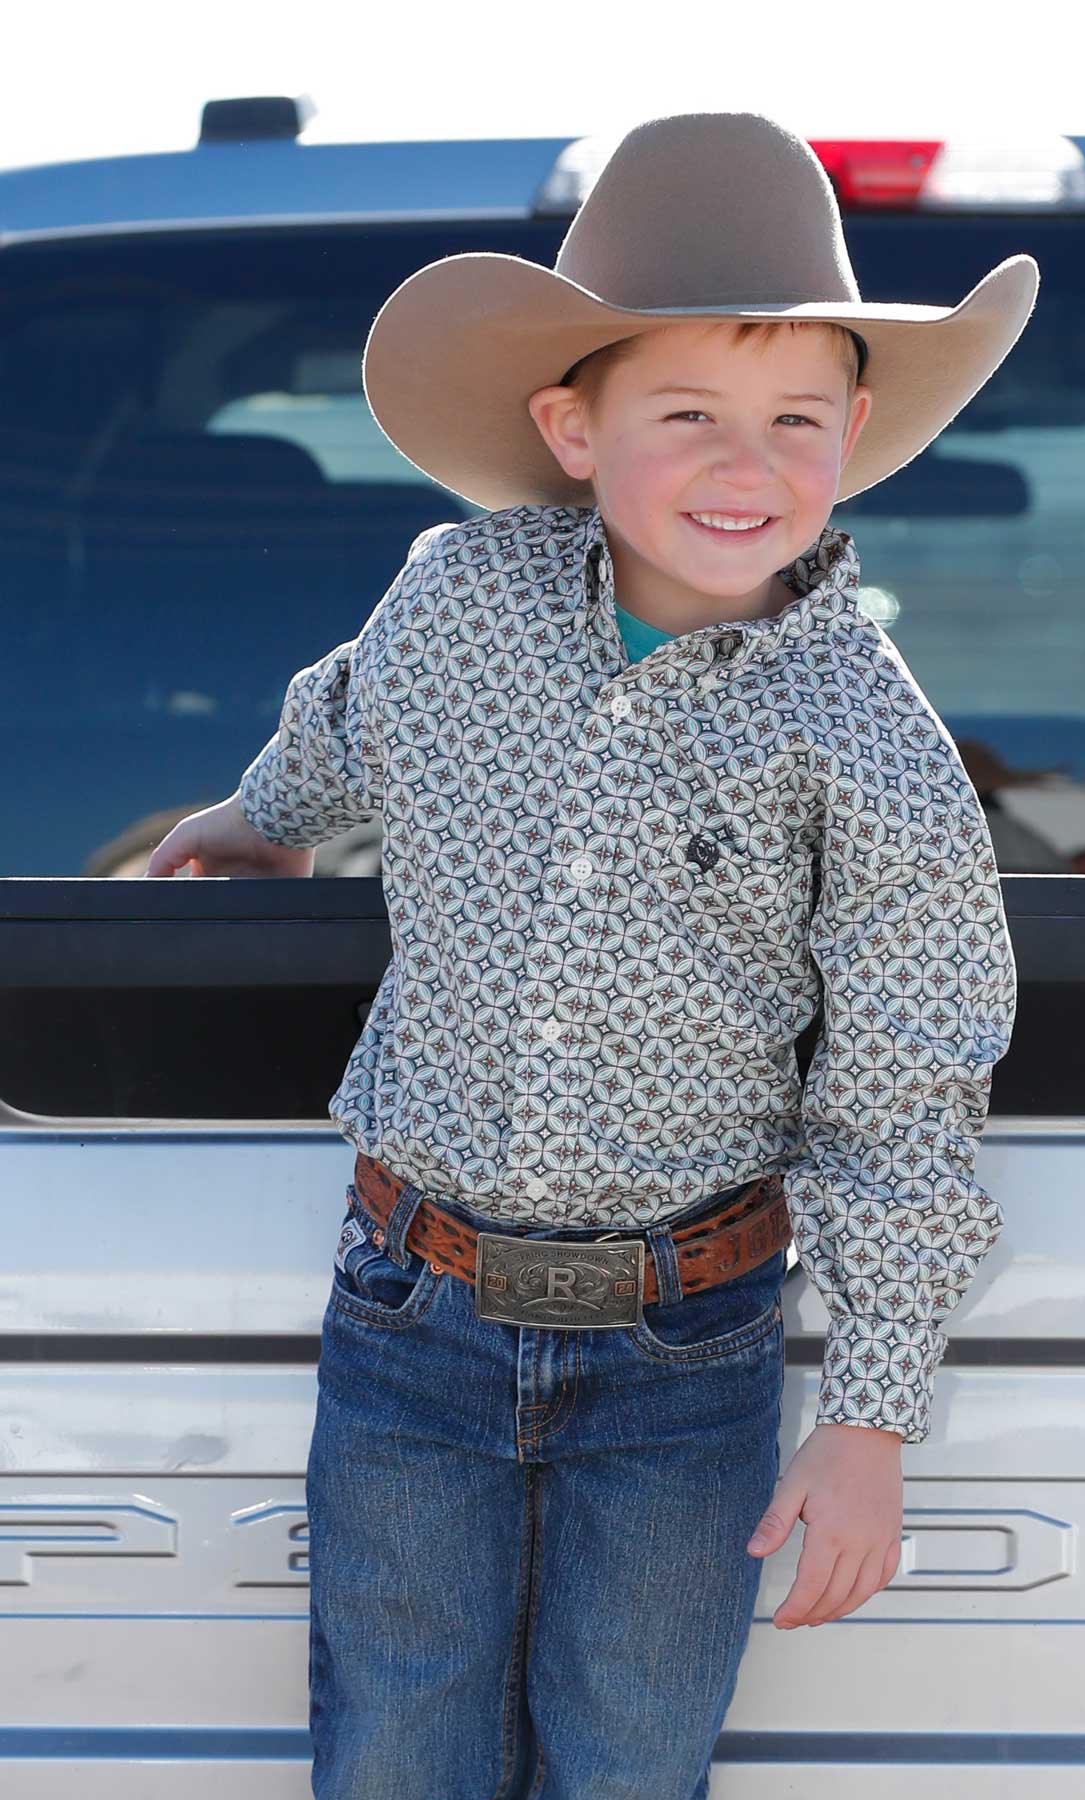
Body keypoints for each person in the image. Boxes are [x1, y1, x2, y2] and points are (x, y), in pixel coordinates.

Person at [146, 112, 1036, 1800]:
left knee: (628, 1767)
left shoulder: (870, 738)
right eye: (685, 412)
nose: (744, 462)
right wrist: (256, 816)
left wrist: (869, 1418)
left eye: (792, 419)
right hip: (412, 1307)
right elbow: (347, 733)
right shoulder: (457, 597)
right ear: (572, 425)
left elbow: (906, 1081)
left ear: (853, 431)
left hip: (685, 1354)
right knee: (394, 1751)